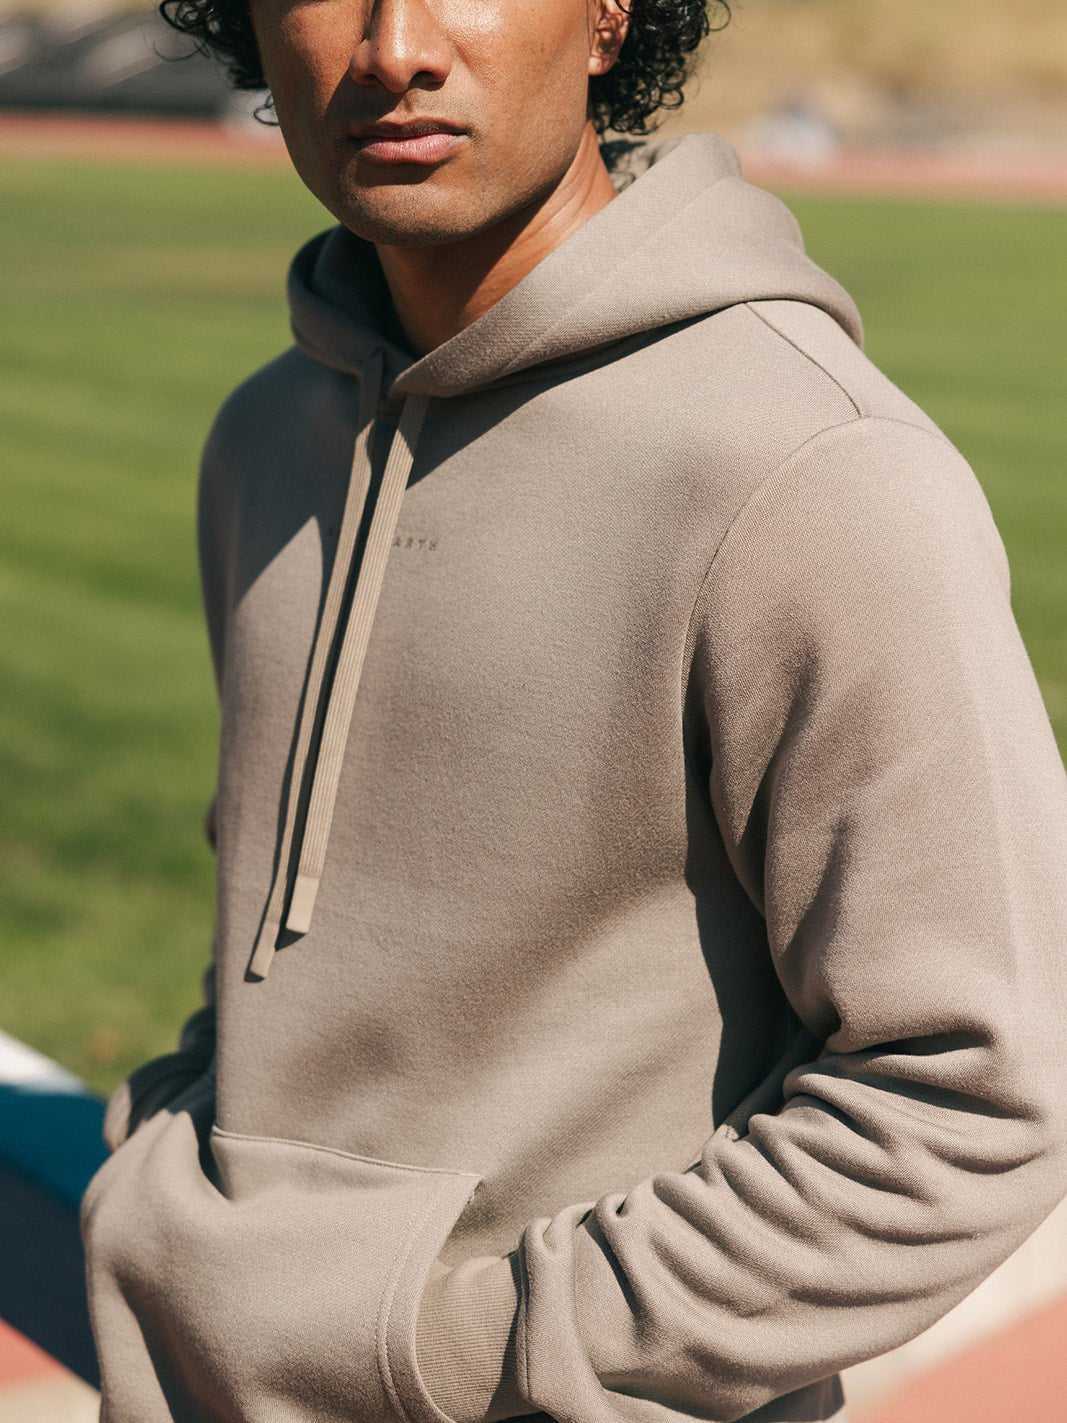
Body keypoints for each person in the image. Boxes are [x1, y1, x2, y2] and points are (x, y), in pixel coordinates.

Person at [79, 1, 1067, 1421]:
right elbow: (278, 974)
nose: (392, 46)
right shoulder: (265, 440)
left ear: (611, 14)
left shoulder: (810, 471)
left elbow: (976, 1094)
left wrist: (460, 1348)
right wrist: (160, 1176)